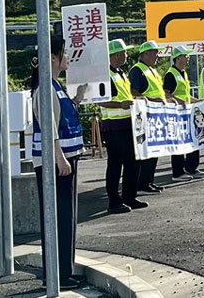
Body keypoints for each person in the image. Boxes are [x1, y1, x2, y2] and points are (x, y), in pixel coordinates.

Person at [31, 36, 87, 290]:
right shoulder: (45, 87)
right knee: (59, 217)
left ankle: (65, 271)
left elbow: (60, 116)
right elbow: (48, 126)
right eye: (64, 54)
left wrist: (77, 99)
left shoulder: (55, 85)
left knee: (66, 217)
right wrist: (59, 157)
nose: (68, 58)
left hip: (65, 157)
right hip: (56, 161)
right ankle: (58, 275)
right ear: (52, 58)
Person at [99, 39, 148, 214]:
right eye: (124, 52)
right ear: (116, 54)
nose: (127, 55)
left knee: (132, 162)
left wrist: (135, 101)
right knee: (115, 165)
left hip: (128, 123)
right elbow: (101, 101)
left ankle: (129, 197)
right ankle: (114, 201)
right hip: (113, 126)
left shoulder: (120, 73)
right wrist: (121, 105)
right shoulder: (105, 74)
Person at [163, 45, 204, 181]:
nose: (188, 58)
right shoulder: (171, 74)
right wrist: (178, 100)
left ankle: (191, 168)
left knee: (193, 140)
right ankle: (178, 172)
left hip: (187, 114)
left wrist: (197, 100)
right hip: (177, 115)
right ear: (178, 58)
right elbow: (166, 94)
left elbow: (186, 95)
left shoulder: (183, 73)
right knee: (179, 143)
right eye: (185, 56)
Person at [129, 40, 168, 194]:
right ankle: (142, 184)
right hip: (145, 117)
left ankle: (149, 181)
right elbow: (134, 93)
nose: (157, 56)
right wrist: (154, 101)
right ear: (145, 54)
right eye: (155, 52)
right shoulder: (137, 70)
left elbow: (159, 94)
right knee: (146, 152)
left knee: (154, 151)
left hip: (156, 117)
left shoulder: (152, 70)